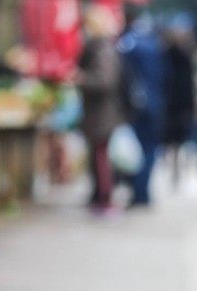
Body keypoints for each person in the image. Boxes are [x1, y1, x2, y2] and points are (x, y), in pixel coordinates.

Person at [76, 5, 123, 216]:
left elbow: (104, 81)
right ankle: (100, 197)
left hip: (102, 114)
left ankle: (105, 199)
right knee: (98, 157)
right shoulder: (103, 48)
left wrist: (80, 78)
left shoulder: (102, 49)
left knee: (101, 158)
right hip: (101, 113)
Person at [118, 5, 166, 208]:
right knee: (149, 149)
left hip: (135, 105)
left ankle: (138, 192)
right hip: (154, 103)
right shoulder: (152, 41)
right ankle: (143, 192)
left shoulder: (126, 44)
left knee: (134, 149)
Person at [161, 17, 196, 187]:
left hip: (171, 105)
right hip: (179, 105)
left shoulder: (166, 55)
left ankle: (175, 167)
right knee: (177, 139)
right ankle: (176, 168)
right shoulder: (185, 56)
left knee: (173, 140)